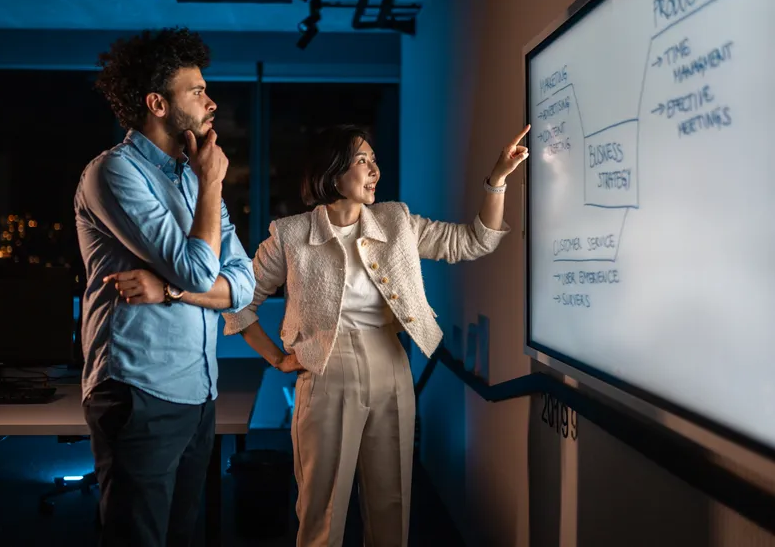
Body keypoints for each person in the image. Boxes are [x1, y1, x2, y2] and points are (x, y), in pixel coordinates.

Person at [116, 122, 530, 546]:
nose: (375, 171)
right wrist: (276, 358)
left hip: (392, 366)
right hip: (325, 375)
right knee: (322, 510)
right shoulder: (291, 234)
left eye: (375, 160)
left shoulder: (397, 219)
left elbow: (474, 242)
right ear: (334, 173)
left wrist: (497, 179)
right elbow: (239, 301)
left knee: (392, 504)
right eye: (363, 160)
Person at [74, 27, 255, 547]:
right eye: (196, 91)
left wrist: (170, 290)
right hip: (139, 391)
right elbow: (204, 273)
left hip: (198, 392)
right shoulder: (114, 173)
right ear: (157, 103)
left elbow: (242, 285)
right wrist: (215, 184)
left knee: (182, 536)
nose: (211, 101)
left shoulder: (193, 179)